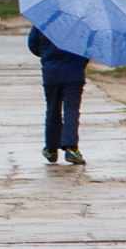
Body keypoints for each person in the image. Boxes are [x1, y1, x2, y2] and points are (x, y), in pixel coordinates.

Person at [27, 25, 88, 165]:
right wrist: (81, 63)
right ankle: (71, 148)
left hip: (51, 72)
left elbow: (33, 44)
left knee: (53, 108)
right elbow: (89, 46)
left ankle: (51, 149)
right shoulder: (81, 22)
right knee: (71, 109)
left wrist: (47, 55)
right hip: (75, 72)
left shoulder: (43, 20)